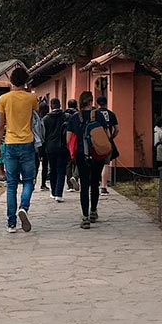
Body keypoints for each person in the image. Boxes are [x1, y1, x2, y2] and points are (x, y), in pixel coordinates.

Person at [0, 66, 39, 233]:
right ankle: (24, 207)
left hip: (10, 144)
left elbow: (1, 126)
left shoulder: (4, 99)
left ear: (11, 81)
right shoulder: (31, 99)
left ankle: (11, 223)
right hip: (27, 143)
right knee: (29, 180)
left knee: (11, 184)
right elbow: (35, 118)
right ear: (25, 81)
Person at [67, 90, 109, 228]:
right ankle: (93, 211)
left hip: (81, 154)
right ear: (91, 101)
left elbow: (68, 138)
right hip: (97, 154)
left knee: (84, 185)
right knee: (95, 183)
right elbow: (107, 134)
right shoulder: (99, 116)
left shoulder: (74, 118)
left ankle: (85, 217)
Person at [42, 98, 69, 202]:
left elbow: (43, 135)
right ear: (60, 105)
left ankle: (53, 192)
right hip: (63, 146)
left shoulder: (46, 119)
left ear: (51, 106)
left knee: (52, 169)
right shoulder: (66, 117)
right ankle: (59, 193)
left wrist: (42, 150)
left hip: (50, 147)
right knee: (61, 170)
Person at [94, 95, 119, 195]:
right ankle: (103, 187)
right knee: (106, 164)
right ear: (106, 103)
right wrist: (112, 137)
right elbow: (117, 129)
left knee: (95, 162)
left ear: (97, 103)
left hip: (96, 142)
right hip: (107, 141)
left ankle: (95, 183)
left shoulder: (94, 114)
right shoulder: (111, 114)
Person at [65, 99, 79, 190]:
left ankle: (69, 184)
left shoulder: (64, 114)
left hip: (68, 140)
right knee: (78, 161)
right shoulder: (78, 115)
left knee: (68, 163)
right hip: (77, 140)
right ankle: (75, 177)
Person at [37, 99, 50, 190]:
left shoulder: (37, 118)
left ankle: (33, 180)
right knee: (45, 165)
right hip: (47, 143)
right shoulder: (47, 118)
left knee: (36, 164)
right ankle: (43, 183)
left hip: (38, 143)